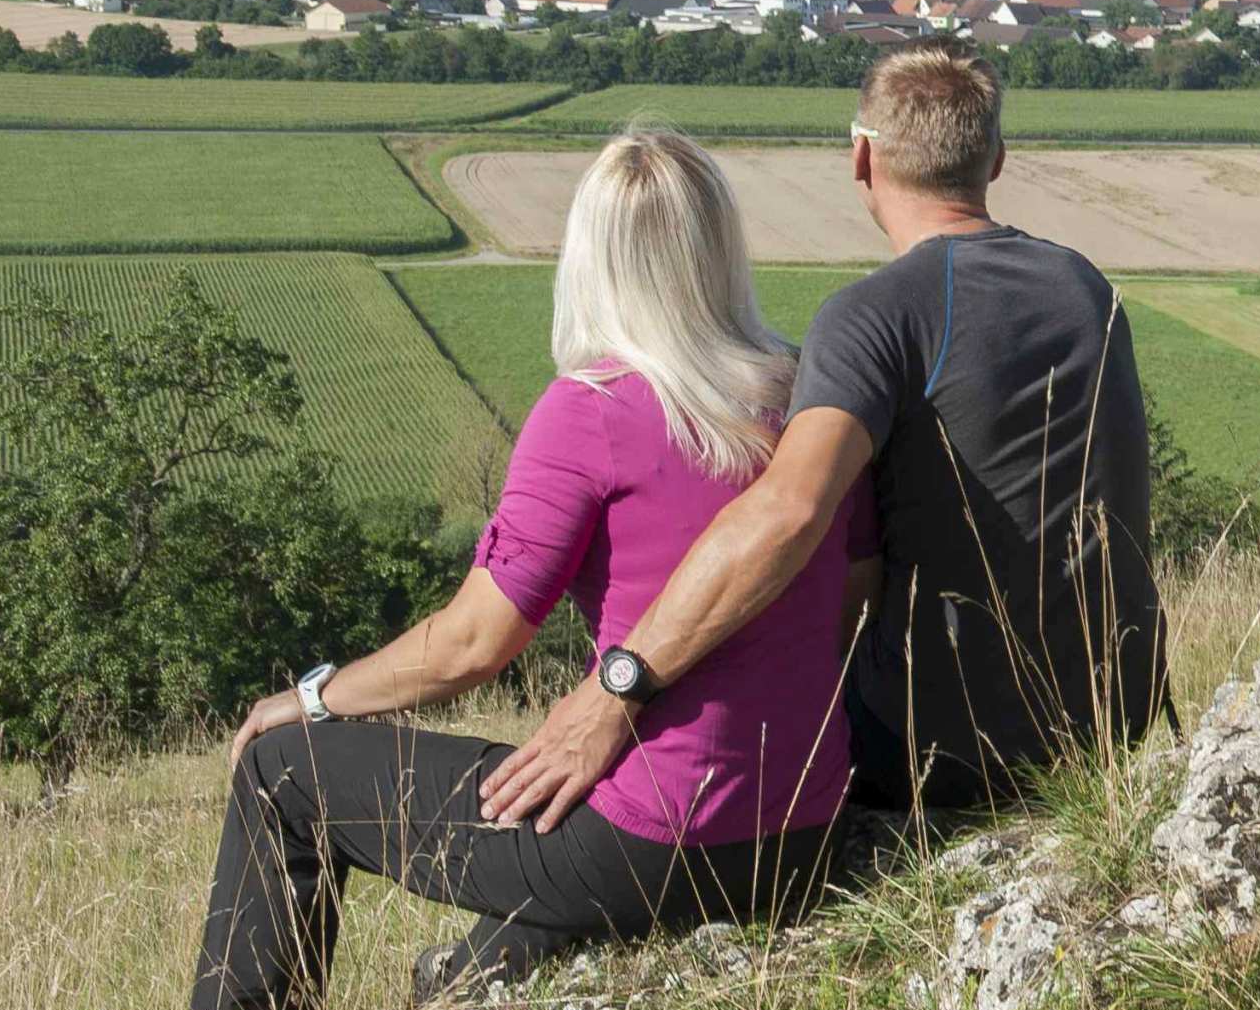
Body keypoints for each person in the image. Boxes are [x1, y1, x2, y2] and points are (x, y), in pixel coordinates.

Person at [186, 126, 873, 1010]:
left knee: (280, 773)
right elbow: (851, 598)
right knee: (488, 923)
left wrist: (313, 696)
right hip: (800, 830)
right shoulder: (812, 402)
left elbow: (474, 644)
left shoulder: (589, 410)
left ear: (590, 255)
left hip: (649, 841)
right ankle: (455, 1009)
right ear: (720, 247)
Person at [477, 42, 1164, 831]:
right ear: (997, 158)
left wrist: (618, 685)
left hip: (935, 741)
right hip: (1111, 714)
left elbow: (788, 511)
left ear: (861, 156)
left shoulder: (874, 316)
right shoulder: (1084, 286)